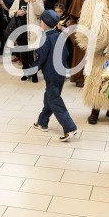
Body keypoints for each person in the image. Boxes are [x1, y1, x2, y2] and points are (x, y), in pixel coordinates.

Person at [32, 10, 79, 142]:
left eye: (41, 21)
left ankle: (70, 127)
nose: (40, 23)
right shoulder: (60, 36)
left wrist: (33, 68)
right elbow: (67, 53)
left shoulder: (44, 38)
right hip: (60, 73)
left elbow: (41, 57)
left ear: (45, 24)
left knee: (54, 99)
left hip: (51, 74)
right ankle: (42, 122)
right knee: (50, 96)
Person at [9, 0, 45, 82]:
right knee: (23, 52)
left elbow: (40, 13)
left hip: (32, 30)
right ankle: (25, 72)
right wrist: (17, 12)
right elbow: (10, 12)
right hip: (20, 29)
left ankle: (34, 74)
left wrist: (34, 2)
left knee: (31, 53)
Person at [67, 0, 99, 88]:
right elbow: (73, 20)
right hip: (82, 32)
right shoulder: (78, 1)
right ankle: (80, 78)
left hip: (97, 32)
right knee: (81, 56)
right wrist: (74, 36)